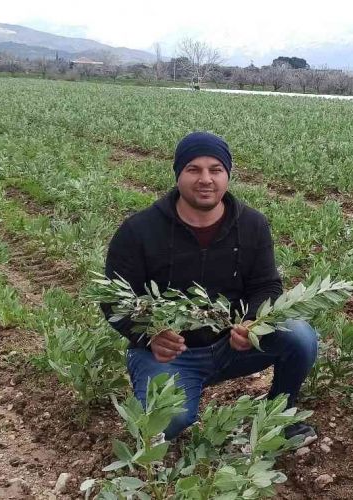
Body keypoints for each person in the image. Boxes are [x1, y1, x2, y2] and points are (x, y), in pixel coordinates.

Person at [101, 131, 318, 442]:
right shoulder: (139, 231)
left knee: (300, 336)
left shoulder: (252, 225)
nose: (206, 179)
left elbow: (267, 286)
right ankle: (164, 393)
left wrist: (252, 323)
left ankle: (279, 415)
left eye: (215, 169)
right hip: (168, 353)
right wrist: (149, 335)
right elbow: (113, 299)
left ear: (227, 175)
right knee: (166, 424)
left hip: (231, 346)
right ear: (178, 174)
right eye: (194, 169)